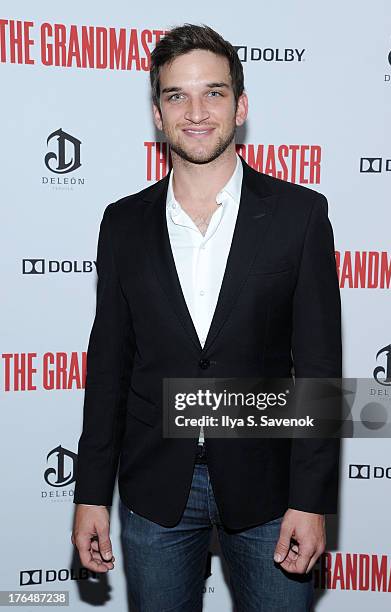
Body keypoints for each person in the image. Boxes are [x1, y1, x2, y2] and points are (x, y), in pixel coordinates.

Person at [72, 23, 342, 611]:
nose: (196, 111)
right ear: (157, 112)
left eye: (214, 92)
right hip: (154, 488)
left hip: (270, 489)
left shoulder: (300, 217)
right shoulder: (122, 225)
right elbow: (109, 366)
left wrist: (311, 498)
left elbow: (319, 369)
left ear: (240, 106)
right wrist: (90, 493)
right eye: (177, 95)